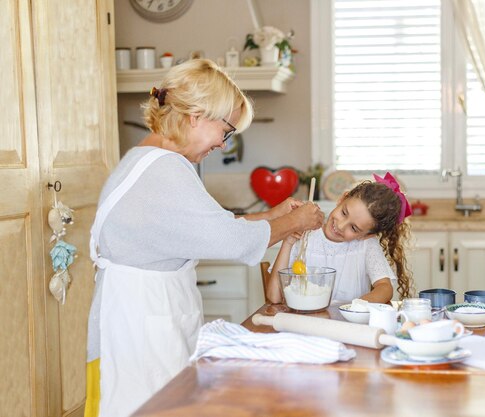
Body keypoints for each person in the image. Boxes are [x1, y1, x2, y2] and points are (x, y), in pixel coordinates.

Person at [84, 59, 324, 417]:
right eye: (225, 131)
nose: (223, 145)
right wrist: (295, 223)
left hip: (131, 313)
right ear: (196, 115)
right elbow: (230, 241)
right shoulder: (167, 169)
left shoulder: (146, 158)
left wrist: (273, 216)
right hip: (142, 321)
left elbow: (206, 228)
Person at [266, 172, 414, 305]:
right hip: (306, 326)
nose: (341, 226)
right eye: (344, 212)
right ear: (342, 198)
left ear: (366, 235)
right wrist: (288, 242)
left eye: (354, 228)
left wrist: (356, 306)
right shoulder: (304, 236)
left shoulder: (366, 245)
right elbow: (274, 297)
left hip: (346, 329)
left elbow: (385, 288)